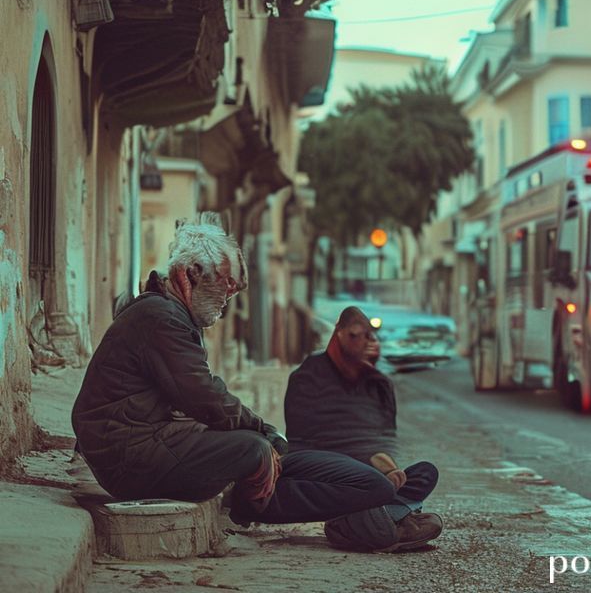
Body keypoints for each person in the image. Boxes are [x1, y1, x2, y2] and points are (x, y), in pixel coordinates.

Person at [71, 215, 406, 550]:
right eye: (225, 284)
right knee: (253, 448)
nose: (228, 295)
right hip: (129, 458)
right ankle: (264, 505)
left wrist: (267, 437)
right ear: (191, 274)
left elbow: (201, 398)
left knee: (279, 453)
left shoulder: (171, 314)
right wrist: (261, 431)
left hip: (151, 443)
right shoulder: (161, 317)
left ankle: (364, 509)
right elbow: (205, 397)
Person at [284, 306, 443, 550]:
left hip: (370, 475)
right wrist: (370, 466)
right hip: (328, 473)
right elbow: (308, 440)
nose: (363, 343)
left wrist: (390, 468)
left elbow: (385, 437)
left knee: (425, 472)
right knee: (374, 490)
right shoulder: (308, 375)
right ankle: (385, 521)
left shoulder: (378, 383)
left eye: (368, 336)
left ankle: (380, 516)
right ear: (339, 335)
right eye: (354, 336)